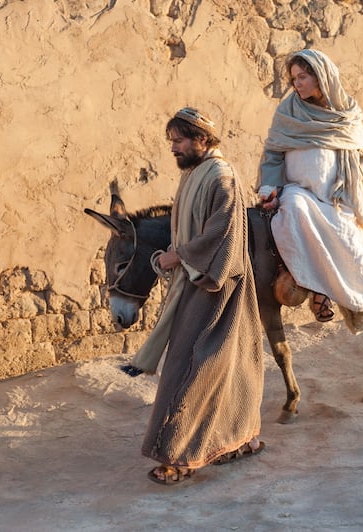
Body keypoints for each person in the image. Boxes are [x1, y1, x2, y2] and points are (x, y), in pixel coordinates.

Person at [129, 107, 265, 485]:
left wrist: (179, 256)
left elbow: (220, 235)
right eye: (171, 140)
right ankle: (235, 440)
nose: (173, 147)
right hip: (194, 280)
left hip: (216, 285)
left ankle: (178, 456)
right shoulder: (194, 174)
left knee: (192, 368)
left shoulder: (222, 178)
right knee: (219, 366)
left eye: (179, 140)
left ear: (202, 140)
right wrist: (175, 258)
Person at [257, 48, 363, 347]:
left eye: (303, 77)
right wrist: (268, 188)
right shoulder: (288, 112)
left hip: (339, 197)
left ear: (321, 76)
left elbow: (360, 158)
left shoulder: (346, 113)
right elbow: (272, 153)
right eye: (294, 78)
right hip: (301, 194)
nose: (298, 84)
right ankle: (315, 288)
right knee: (292, 209)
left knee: (354, 241)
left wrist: (351, 191)